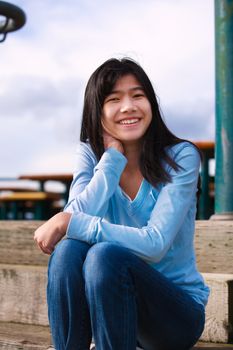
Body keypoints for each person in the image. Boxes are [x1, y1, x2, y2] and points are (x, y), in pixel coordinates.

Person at [34, 58, 209, 350]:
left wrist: (68, 221)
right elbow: (76, 220)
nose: (129, 106)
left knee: (105, 256)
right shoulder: (91, 155)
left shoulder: (181, 156)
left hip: (175, 316)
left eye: (138, 95)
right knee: (67, 250)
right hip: (112, 310)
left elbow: (155, 244)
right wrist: (112, 162)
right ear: (97, 111)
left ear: (151, 103)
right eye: (114, 99)